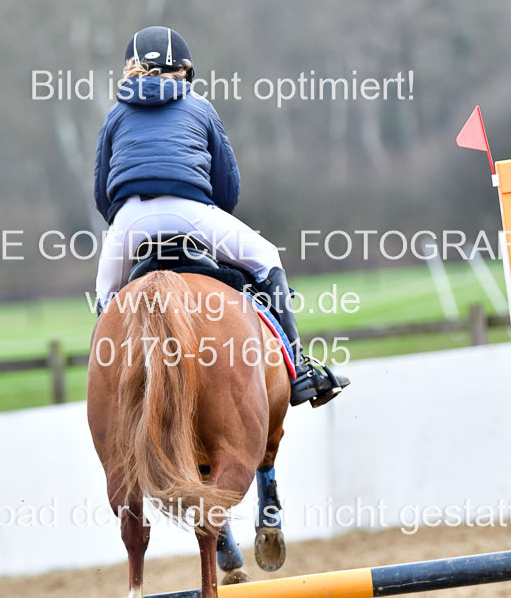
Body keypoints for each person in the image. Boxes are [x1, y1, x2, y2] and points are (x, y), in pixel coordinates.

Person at [93, 25, 347, 408]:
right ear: (185, 70)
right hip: (192, 213)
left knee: (106, 302)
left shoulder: (114, 115)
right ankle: (299, 371)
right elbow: (228, 188)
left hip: (130, 222)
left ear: (130, 69)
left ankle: (109, 398)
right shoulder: (200, 106)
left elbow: (101, 194)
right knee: (266, 261)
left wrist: (128, 219)